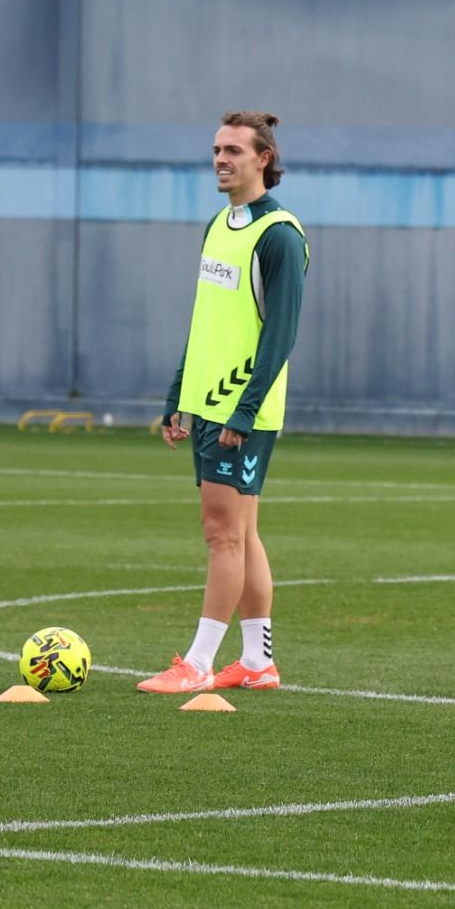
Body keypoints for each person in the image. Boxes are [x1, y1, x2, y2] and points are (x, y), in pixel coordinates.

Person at [139, 111, 310, 695]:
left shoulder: (279, 235)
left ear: (263, 158)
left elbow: (280, 333)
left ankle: (198, 662)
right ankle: (258, 664)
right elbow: (207, 320)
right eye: (216, 148)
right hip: (207, 403)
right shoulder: (220, 225)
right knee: (243, 533)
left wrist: (243, 411)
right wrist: (178, 394)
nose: (220, 158)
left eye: (234, 149)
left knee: (221, 534)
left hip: (242, 410)